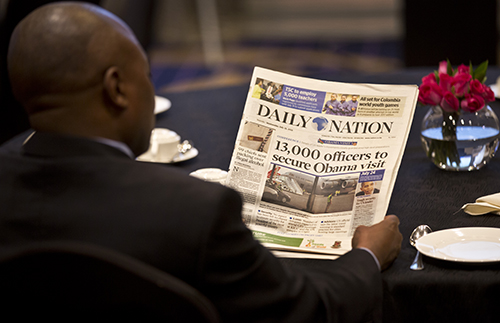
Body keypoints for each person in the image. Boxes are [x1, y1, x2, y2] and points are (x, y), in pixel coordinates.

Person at [0, 2, 402, 322]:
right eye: (147, 74)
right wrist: (366, 257)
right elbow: (305, 310)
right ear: (117, 88)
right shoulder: (194, 212)